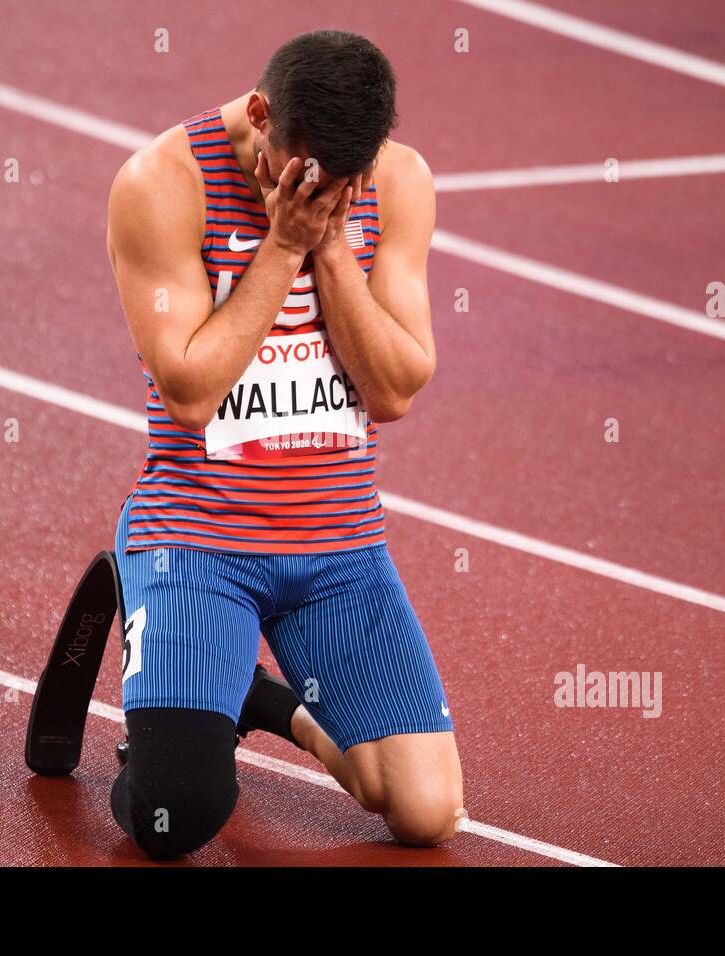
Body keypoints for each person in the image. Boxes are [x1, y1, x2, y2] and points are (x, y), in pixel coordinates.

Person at [104, 29, 462, 859]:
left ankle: (259, 702)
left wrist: (330, 245)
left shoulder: (398, 183)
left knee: (422, 811)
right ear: (261, 118)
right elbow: (191, 391)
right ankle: (182, 689)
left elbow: (396, 389)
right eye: (312, 178)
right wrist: (283, 246)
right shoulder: (163, 183)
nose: (332, 196)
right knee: (175, 820)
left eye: (349, 183)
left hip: (339, 552)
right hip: (197, 541)